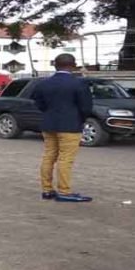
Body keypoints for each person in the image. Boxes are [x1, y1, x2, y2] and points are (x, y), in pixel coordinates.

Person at [31, 54, 93, 202]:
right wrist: (81, 119)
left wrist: (49, 112)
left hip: (49, 124)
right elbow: (86, 107)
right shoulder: (79, 84)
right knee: (66, 159)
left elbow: (37, 103)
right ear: (73, 65)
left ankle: (47, 190)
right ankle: (64, 191)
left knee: (49, 156)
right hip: (70, 125)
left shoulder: (43, 84)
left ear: (55, 65)